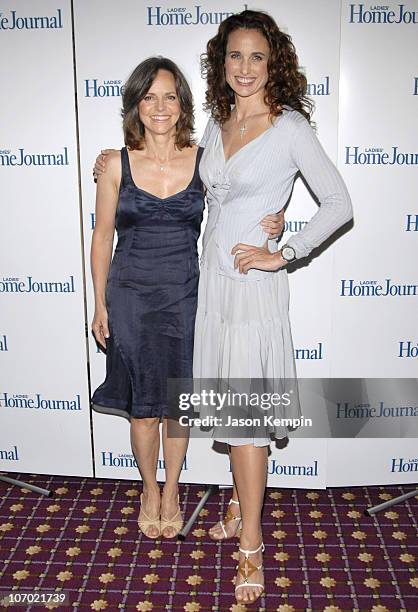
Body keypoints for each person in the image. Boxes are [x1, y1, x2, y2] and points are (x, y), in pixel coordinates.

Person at [192, 9, 353, 605]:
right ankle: (238, 502)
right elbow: (207, 188)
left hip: (253, 291)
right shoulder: (216, 120)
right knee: (232, 414)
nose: (245, 68)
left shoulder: (288, 129)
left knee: (246, 423)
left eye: (257, 56)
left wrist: (285, 251)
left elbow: (338, 202)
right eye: (235, 55)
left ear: (273, 62)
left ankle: (252, 546)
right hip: (213, 283)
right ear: (222, 61)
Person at [91, 56, 284, 542]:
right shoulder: (115, 163)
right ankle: (149, 489)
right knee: (143, 407)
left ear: (183, 103)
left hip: (185, 296)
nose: (160, 106)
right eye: (149, 96)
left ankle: (173, 489)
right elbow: (101, 237)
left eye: (169, 96)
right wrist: (98, 304)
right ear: (136, 104)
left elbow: (246, 195)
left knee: (176, 403)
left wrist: (276, 223)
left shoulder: (205, 159)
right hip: (129, 294)